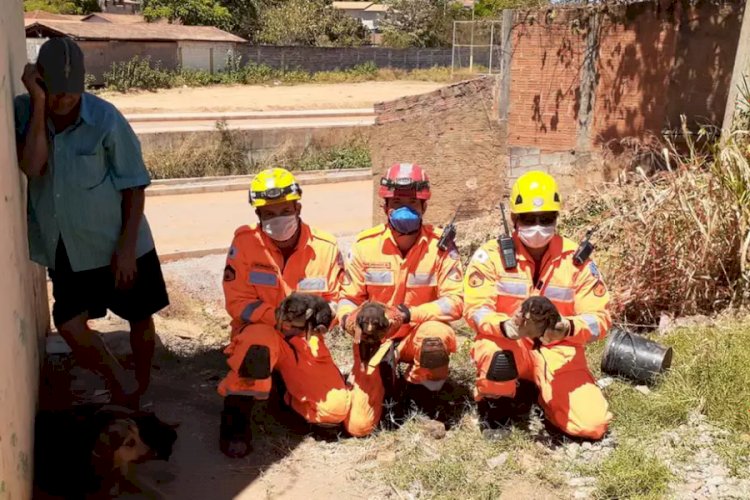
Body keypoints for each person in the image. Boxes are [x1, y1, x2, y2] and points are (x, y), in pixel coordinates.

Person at [14, 38, 169, 407]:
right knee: (69, 324)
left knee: (139, 316)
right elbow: (32, 167)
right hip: (66, 247)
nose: (63, 101)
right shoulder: (25, 111)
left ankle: (143, 387)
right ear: (39, 82)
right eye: (54, 93)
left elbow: (133, 185)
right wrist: (38, 106)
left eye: (72, 94)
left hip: (118, 241)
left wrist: (127, 249)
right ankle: (119, 383)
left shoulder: (106, 118)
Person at [464, 171, 612, 440]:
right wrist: (504, 326)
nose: (537, 226)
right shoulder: (490, 256)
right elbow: (474, 309)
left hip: (559, 353)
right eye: (528, 219)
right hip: (510, 345)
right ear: (514, 220)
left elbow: (600, 319)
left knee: (592, 425)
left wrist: (567, 328)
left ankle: (537, 392)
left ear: (557, 218)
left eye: (546, 219)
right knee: (496, 352)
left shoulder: (576, 260)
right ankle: (496, 411)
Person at [217, 167, 350, 458]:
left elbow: (339, 299)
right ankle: (235, 421)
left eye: (284, 210)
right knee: (258, 349)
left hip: (305, 340)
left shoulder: (325, 248)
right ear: (258, 216)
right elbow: (237, 302)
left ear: (298, 207)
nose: (277, 219)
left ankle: (283, 394)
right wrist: (277, 317)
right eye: (268, 214)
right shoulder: (245, 244)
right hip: (261, 332)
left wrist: (325, 319)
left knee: (334, 413)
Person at [337, 163, 464, 437]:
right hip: (375, 338)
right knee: (360, 427)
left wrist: (409, 314)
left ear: (424, 207)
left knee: (436, 337)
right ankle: (383, 380)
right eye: (397, 202)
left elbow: (455, 302)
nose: (404, 208)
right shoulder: (365, 245)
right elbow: (346, 297)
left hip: (416, 333)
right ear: (385, 207)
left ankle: (422, 400)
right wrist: (350, 320)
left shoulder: (441, 247)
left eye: (412, 203)